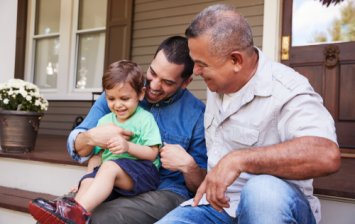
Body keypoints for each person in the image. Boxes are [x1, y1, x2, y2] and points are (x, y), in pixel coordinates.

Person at [156, 4, 341, 224]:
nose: (195, 72)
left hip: (273, 208)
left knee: (261, 190)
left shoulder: (287, 88)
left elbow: (326, 154)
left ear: (235, 61)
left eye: (201, 64)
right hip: (218, 207)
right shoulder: (218, 83)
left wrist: (239, 159)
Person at [31, 36, 207, 223]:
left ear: (186, 82)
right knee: (51, 218)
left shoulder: (197, 115)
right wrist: (90, 138)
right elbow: (79, 144)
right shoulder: (121, 91)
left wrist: (189, 167)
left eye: (167, 82)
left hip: (165, 189)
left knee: (101, 218)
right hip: (112, 180)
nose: (153, 86)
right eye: (153, 73)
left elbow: (200, 185)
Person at [29, 60, 163, 223]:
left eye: (124, 98)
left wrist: (128, 146)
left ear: (140, 94)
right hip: (112, 174)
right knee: (89, 180)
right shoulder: (105, 121)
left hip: (143, 173)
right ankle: (74, 214)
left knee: (109, 167)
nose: (118, 104)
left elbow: (152, 153)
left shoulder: (145, 119)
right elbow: (98, 156)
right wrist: (87, 178)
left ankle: (74, 212)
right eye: (111, 98)